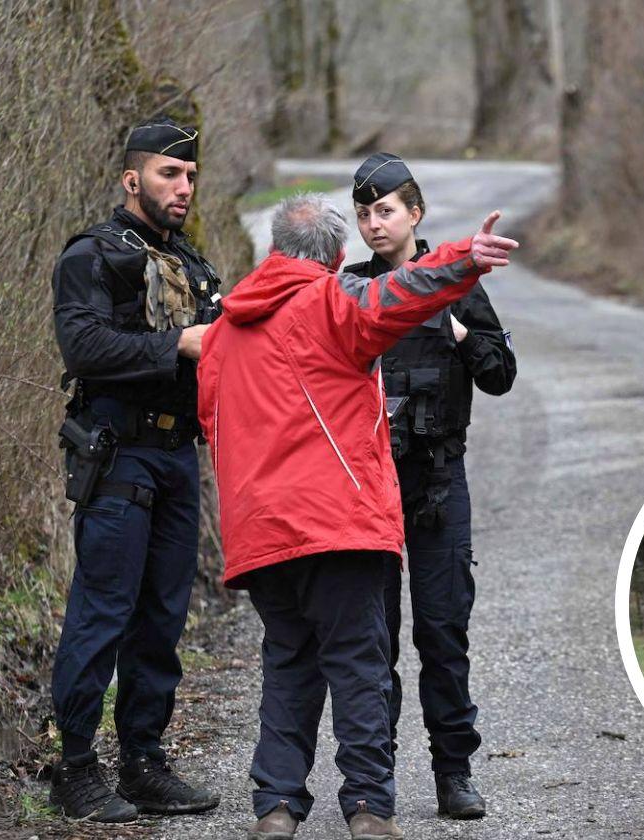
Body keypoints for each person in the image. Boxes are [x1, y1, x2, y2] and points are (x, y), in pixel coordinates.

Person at [197, 194, 518, 840]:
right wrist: (464, 261)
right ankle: (369, 807)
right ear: (339, 258)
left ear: (273, 252)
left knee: (289, 660)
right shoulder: (335, 305)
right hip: (336, 523)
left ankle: (277, 806)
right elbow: (404, 291)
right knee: (358, 666)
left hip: (261, 531)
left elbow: (214, 425)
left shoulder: (224, 331)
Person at [48, 117, 221, 821]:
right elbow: (84, 345)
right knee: (103, 614)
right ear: (132, 179)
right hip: (119, 456)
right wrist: (178, 343)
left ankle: (143, 761)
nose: (182, 188)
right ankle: (75, 769)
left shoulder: (195, 264)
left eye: (189, 177)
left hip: (180, 457)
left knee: (161, 620)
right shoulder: (92, 254)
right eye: (168, 175)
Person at [345, 153, 515, 819]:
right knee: (372, 637)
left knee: (443, 632)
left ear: (415, 214)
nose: (372, 224)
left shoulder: (456, 285)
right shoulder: (352, 289)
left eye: (384, 211)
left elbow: (500, 374)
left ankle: (454, 772)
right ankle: (374, 778)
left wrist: (460, 328)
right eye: (363, 213)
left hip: (440, 479)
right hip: (368, 486)